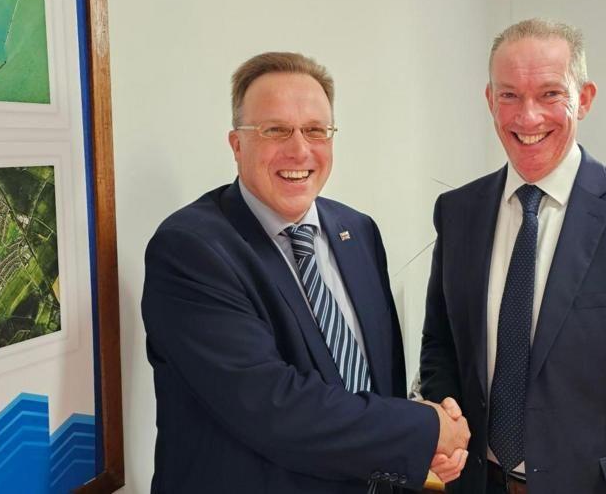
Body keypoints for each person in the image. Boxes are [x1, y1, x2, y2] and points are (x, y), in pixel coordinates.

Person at [142, 52, 469, 493]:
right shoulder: (191, 249)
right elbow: (274, 407)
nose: (299, 149)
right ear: (237, 144)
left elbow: (378, 384)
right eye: (274, 129)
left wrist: (416, 449)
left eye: (316, 130)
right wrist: (422, 430)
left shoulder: (358, 230)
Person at [419, 19, 606, 493]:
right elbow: (441, 344)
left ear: (584, 99)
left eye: (550, 94)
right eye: (509, 95)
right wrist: (444, 422)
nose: (528, 117)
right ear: (490, 100)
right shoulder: (458, 212)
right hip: (478, 482)